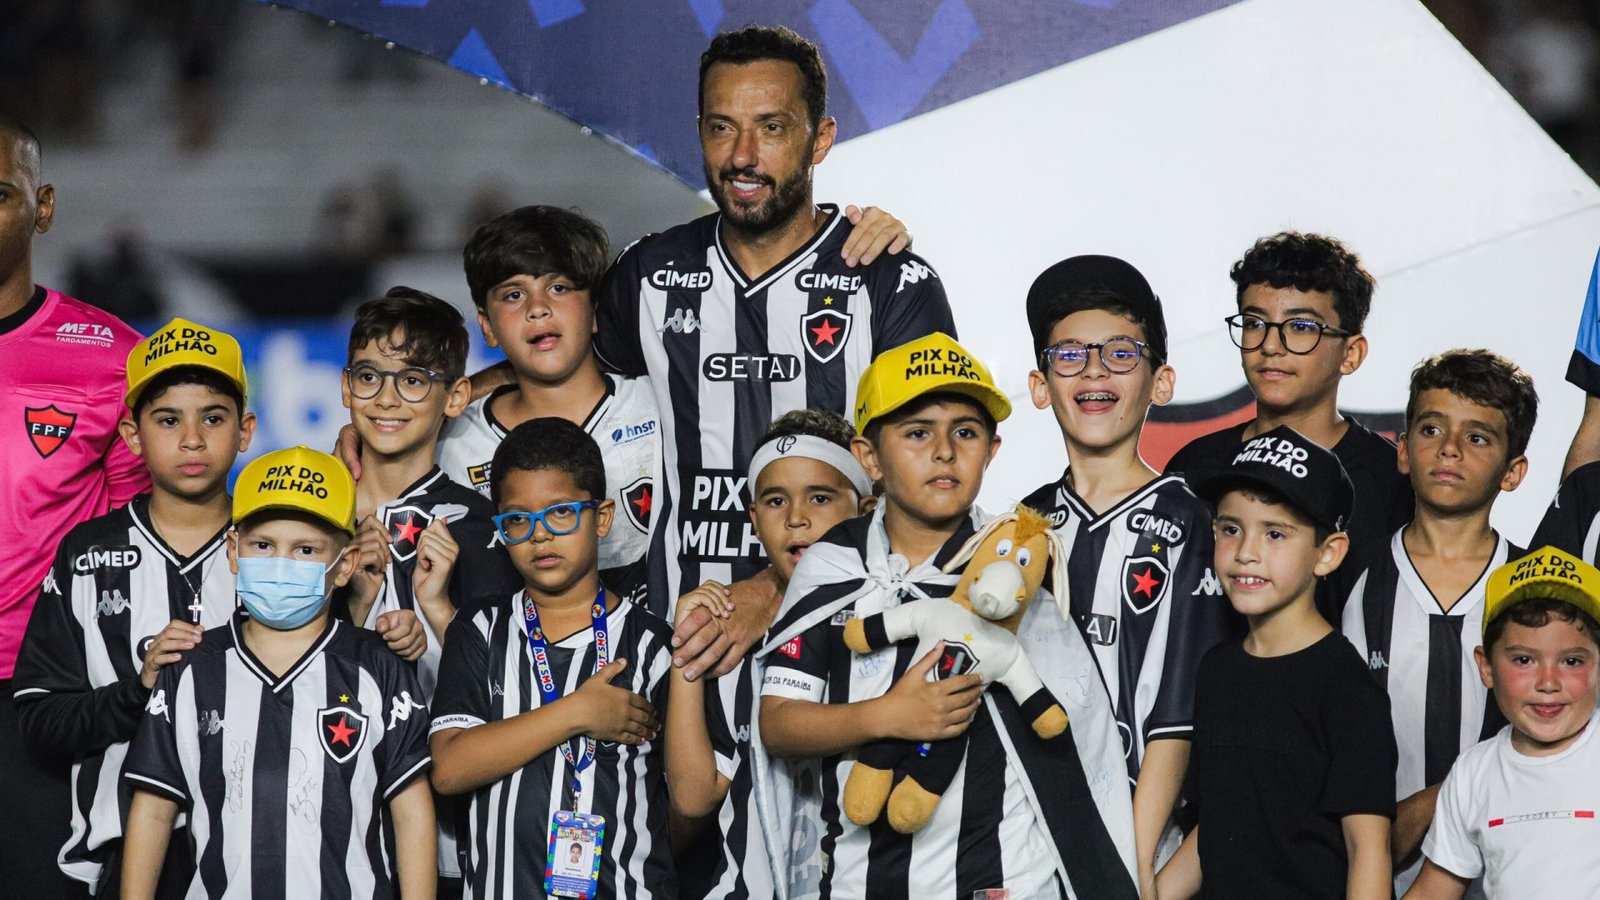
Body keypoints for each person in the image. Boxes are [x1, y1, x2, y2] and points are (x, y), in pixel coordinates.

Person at [594, 25, 952, 645]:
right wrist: (440, 407)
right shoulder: (648, 273)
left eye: (773, 127)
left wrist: (774, 587)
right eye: (722, 126)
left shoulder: (889, 280)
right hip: (679, 643)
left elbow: (928, 478)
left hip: (848, 638)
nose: (742, 156)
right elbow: (561, 386)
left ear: (821, 139)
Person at [756, 333, 1138, 899]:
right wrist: (888, 716)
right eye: (916, 433)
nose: (944, 451)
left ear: (992, 450)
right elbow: (779, 723)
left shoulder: (1017, 566)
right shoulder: (832, 566)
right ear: (869, 458)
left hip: (1007, 883)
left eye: (965, 431)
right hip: (862, 883)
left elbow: (1072, 745)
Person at [120, 446, 437, 899]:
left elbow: (411, 812)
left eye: (306, 549)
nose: (281, 563)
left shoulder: (378, 667)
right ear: (233, 550)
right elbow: (153, 808)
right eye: (263, 545)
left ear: (344, 564)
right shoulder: (190, 667)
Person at [13, 318, 254, 898]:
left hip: (261, 845)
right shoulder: (87, 553)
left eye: (213, 418)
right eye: (168, 420)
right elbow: (39, 720)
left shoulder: (282, 547)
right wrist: (138, 690)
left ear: (245, 431)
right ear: (130, 434)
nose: (191, 439)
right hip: (123, 855)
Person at [1018, 255, 1230, 894]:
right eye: (1071, 355)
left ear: (1161, 382)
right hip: (1023, 834)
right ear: (1039, 385)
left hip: (1142, 845)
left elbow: (1177, 712)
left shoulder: (1197, 524)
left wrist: (1127, 868)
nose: (1094, 372)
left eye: (1119, 353)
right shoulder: (1020, 526)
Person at [429, 418, 677, 899]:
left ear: (602, 517)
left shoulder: (652, 644)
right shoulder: (480, 629)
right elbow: (450, 768)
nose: (539, 536)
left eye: (561, 513)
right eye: (518, 520)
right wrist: (577, 713)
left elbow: (683, 806)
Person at [0, 113, 150, 900]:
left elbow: (136, 529)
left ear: (42, 206)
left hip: (40, 694)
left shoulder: (109, 356)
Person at [1158, 425, 1396, 899]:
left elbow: (1368, 848)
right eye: (1231, 529)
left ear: (1327, 554)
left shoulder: (1345, 686)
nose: (1246, 553)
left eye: (1275, 533)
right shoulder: (1216, 670)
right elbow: (1219, 824)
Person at [338, 287, 522, 894]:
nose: (387, 398)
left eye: (414, 380)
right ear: (345, 389)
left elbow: (509, 688)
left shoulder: (476, 525)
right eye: (370, 377)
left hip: (446, 837)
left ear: (456, 396)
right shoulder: (305, 513)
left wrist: (440, 617)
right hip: (317, 818)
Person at [1341, 349, 1536, 897]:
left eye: (1477, 437)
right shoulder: (1354, 579)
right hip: (1377, 874)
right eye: (1431, 428)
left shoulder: (1536, 589)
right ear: (1402, 451)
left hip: (1511, 873)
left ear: (1513, 471)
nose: (1449, 448)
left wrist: (1438, 800)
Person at [664, 408, 874, 900]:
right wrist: (685, 649)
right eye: (775, 500)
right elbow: (693, 798)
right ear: (754, 519)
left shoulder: (891, 619)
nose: (796, 518)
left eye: (820, 498)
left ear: (865, 508)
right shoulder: (728, 636)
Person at [1164, 232, 1411, 618]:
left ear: (1351, 354)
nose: (1270, 345)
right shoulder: (1195, 466)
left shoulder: (1391, 479)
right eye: (1254, 323)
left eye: (1300, 327)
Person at [438, 207, 660, 607]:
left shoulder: (660, 407)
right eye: (514, 294)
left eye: (558, 288)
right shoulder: (452, 441)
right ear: (487, 325)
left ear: (596, 309)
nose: (537, 308)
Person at [1404, 546, 1600, 899]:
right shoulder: (1473, 773)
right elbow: (1432, 892)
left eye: (1572, 661)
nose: (1548, 682)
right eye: (1524, 659)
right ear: (1487, 667)